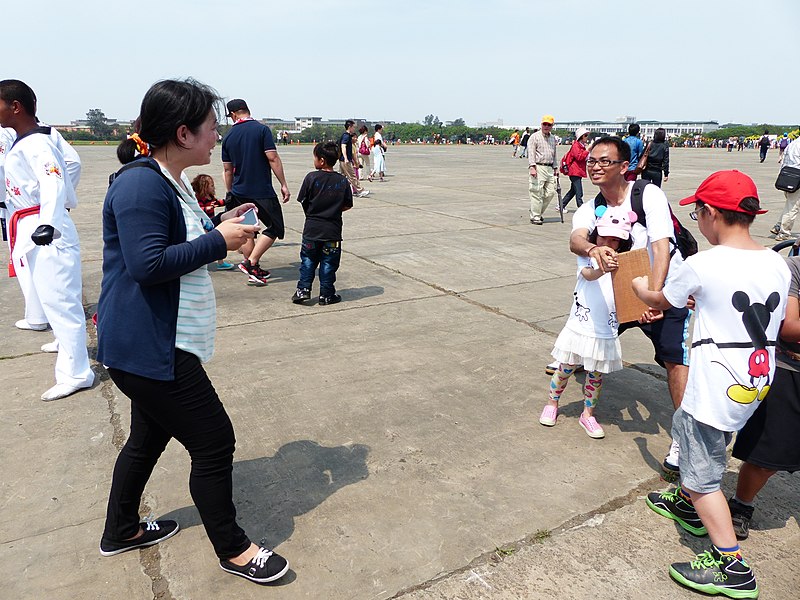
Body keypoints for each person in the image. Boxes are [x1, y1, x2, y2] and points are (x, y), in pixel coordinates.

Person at [96, 79, 289, 584]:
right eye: (209, 127)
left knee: (146, 439)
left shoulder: (168, 178)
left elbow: (172, 241)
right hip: (153, 347)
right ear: (183, 133)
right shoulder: (140, 183)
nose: (216, 137)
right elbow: (147, 263)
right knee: (213, 441)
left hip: (158, 343)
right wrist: (219, 242)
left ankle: (120, 530)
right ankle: (234, 548)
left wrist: (221, 224)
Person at [633, 170, 789, 600]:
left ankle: (732, 565)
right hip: (752, 381)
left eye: (698, 211)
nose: (698, 220)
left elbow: (656, 299)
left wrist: (637, 286)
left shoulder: (704, 263)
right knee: (700, 437)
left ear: (710, 213)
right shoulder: (775, 261)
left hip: (713, 386)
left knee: (703, 476)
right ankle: (686, 506)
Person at [569, 136, 690, 475]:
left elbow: (662, 247)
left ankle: (682, 437)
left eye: (604, 161)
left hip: (662, 286)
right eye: (592, 160)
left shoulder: (648, 193)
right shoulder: (592, 205)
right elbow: (576, 238)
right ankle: (576, 361)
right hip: (619, 290)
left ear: (624, 167)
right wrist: (592, 250)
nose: (595, 166)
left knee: (675, 360)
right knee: (590, 336)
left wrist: (655, 295)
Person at [0, 79, 95, 401]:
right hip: (29, 221)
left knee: (61, 300)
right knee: (50, 295)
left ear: (16, 106)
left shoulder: (37, 144)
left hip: (43, 226)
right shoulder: (23, 141)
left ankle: (77, 372)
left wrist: (49, 222)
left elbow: (53, 180)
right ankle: (66, 347)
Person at [539, 205, 635, 439]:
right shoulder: (587, 258)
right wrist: (603, 269)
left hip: (605, 330)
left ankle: (588, 414)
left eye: (615, 240)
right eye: (604, 237)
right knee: (565, 368)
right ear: (595, 235)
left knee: (595, 374)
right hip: (581, 327)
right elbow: (588, 275)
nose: (609, 244)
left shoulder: (625, 262)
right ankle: (552, 403)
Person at [727, 252, 800, 541]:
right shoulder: (793, 267)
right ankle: (741, 505)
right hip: (789, 368)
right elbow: (789, 328)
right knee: (766, 457)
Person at [221, 98, 291, 285]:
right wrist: (283, 183)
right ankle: (251, 263)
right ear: (247, 110)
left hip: (239, 191)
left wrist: (230, 192)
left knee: (247, 231)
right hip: (262, 190)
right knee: (276, 227)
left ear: (233, 114)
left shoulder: (228, 136)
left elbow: (227, 170)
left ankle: (251, 265)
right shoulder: (261, 130)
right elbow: (273, 158)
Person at [291, 141, 353, 306]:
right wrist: (333, 210)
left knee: (308, 260)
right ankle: (326, 294)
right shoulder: (342, 181)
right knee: (329, 263)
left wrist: (312, 213)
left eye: (315, 157)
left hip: (312, 229)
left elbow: (303, 200)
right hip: (332, 230)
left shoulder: (311, 178)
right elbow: (347, 204)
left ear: (322, 160)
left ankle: (303, 290)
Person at [191, 174, 233, 270]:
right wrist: (207, 208)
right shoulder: (199, 198)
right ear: (204, 187)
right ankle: (199, 260)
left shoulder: (210, 197)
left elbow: (218, 203)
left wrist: (226, 201)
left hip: (212, 222)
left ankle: (220, 262)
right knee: (204, 242)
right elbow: (199, 209)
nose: (214, 187)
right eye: (212, 185)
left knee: (218, 241)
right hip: (203, 224)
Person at [527, 115, 558, 225]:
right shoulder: (534, 137)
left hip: (549, 167)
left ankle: (536, 211)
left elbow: (554, 154)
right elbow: (531, 153)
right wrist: (532, 167)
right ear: (541, 125)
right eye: (544, 124)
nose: (546, 126)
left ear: (552, 126)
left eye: (549, 124)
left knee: (550, 192)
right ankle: (535, 216)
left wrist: (555, 167)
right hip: (538, 166)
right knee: (536, 192)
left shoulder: (553, 138)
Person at [772, 136, 800, 241]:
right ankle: (784, 232)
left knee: (790, 205)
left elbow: (784, 161)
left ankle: (778, 225)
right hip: (796, 179)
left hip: (787, 177)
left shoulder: (792, 144)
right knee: (793, 207)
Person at [559, 127, 591, 212]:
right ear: (581, 136)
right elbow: (579, 157)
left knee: (573, 190)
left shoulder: (581, 146)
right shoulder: (576, 145)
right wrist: (587, 150)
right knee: (579, 191)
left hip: (577, 171)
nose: (587, 137)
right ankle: (581, 207)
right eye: (585, 135)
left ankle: (561, 205)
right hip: (574, 171)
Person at [339, 120, 369, 198]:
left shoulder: (345, 135)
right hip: (345, 160)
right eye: (353, 127)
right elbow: (343, 146)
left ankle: (338, 191)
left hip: (343, 160)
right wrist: (346, 158)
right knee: (352, 176)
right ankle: (359, 190)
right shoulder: (346, 136)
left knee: (342, 177)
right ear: (349, 127)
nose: (354, 129)